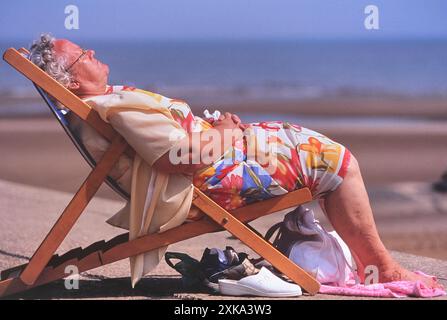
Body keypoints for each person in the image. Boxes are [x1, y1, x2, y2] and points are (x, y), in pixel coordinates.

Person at [28, 34, 442, 289]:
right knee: (337, 163)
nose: (93, 50)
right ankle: (381, 267)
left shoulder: (107, 103)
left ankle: (376, 262)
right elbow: (180, 159)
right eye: (82, 52)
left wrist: (224, 132)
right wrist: (225, 133)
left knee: (324, 153)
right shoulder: (115, 109)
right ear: (74, 81)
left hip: (217, 165)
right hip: (210, 180)